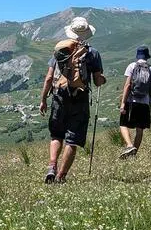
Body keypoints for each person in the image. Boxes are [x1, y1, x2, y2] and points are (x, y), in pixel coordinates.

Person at [39, 16, 106, 183]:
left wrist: (43, 100)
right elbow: (98, 81)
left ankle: (51, 167)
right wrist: (102, 79)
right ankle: (61, 177)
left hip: (59, 96)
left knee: (56, 135)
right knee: (72, 139)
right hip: (80, 97)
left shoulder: (60, 50)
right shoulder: (93, 53)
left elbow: (48, 78)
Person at [118, 46, 151, 159]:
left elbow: (128, 85)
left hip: (131, 100)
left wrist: (123, 103)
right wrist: (149, 105)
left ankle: (129, 146)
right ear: (147, 56)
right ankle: (133, 154)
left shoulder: (132, 66)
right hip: (144, 102)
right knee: (140, 130)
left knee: (123, 124)